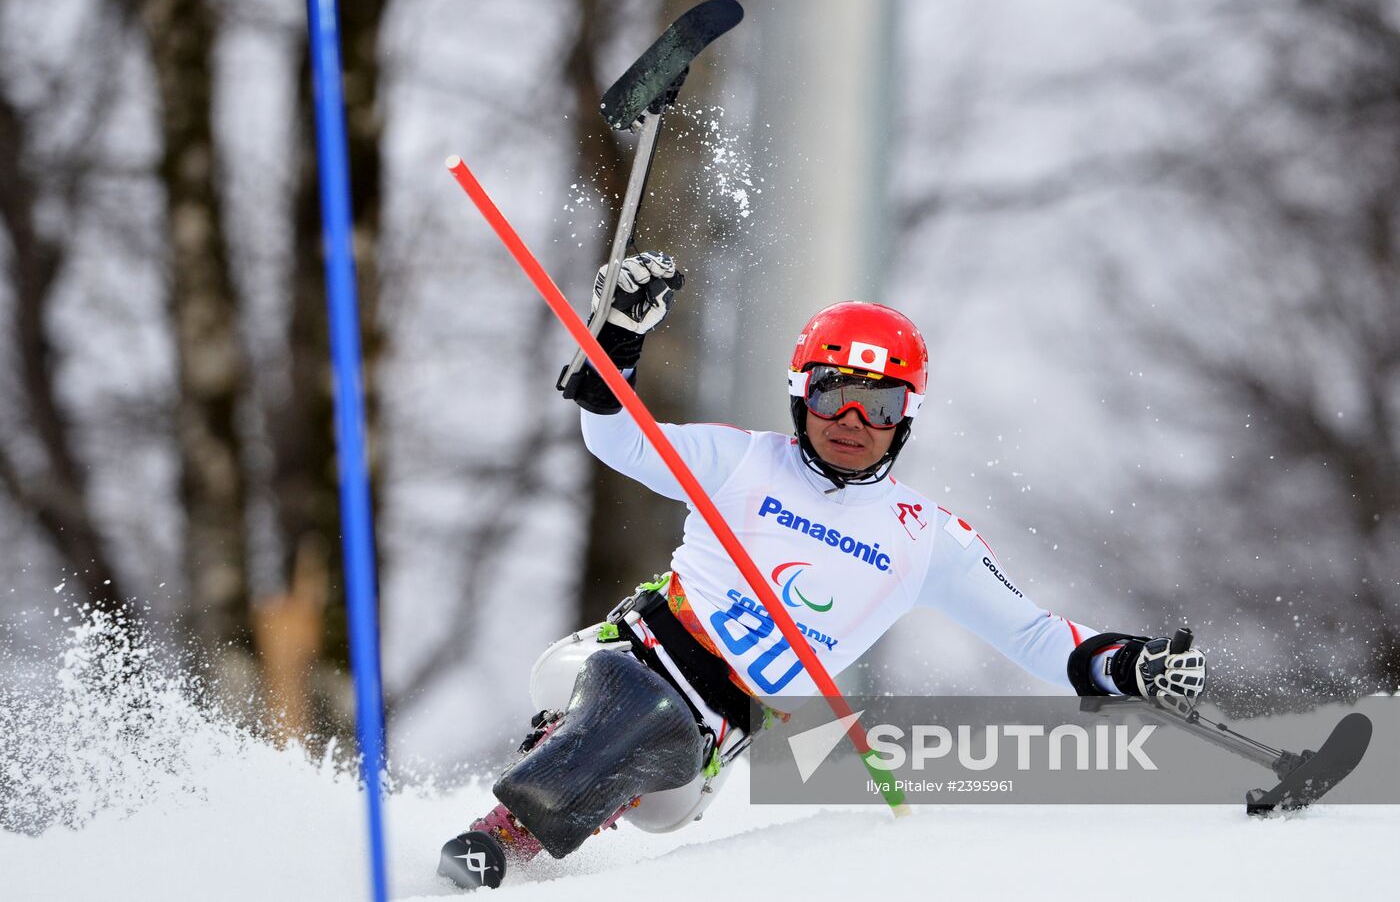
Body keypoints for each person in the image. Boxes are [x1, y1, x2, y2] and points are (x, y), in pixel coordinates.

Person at [438, 252, 1208, 889]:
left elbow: (1040, 637)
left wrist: (1130, 665)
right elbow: (619, 439)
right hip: (639, 649)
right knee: (635, 701)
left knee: (657, 722)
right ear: (802, 394)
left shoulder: (925, 538)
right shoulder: (742, 460)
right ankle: (497, 838)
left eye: (879, 406)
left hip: (713, 727)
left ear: (906, 419)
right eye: (836, 395)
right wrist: (617, 342)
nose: (852, 423)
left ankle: (559, 798)